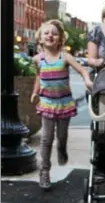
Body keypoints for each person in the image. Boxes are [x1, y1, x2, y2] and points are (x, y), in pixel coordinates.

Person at [31, 19, 93, 191]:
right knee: (46, 139)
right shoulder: (38, 59)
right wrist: (35, 92)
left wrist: (87, 79)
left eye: (54, 33)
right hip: (47, 103)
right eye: (46, 33)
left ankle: (62, 149)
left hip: (64, 103)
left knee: (62, 136)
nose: (50, 35)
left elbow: (81, 70)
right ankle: (44, 171)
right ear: (40, 39)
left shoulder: (65, 57)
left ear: (60, 39)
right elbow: (38, 77)